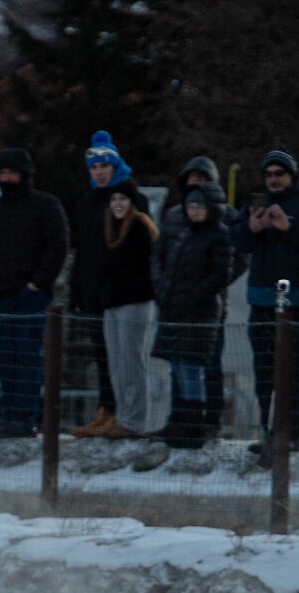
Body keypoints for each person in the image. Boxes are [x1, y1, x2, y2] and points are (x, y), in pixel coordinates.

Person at [237, 149, 299, 466]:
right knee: (264, 371)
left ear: (291, 175)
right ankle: (270, 432)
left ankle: (293, 433)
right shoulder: (253, 206)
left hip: (296, 302)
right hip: (261, 300)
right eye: (269, 174)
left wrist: (290, 228)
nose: (274, 180)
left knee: (291, 370)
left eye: (279, 174)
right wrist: (251, 229)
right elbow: (237, 243)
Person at [0, 147, 68, 437]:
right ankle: (9, 417)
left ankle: (24, 418)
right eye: (3, 173)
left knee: (27, 356)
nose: (8, 178)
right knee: (4, 356)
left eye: (13, 173)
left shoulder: (45, 205)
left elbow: (58, 246)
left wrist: (38, 283)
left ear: (25, 175)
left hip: (30, 295)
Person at [151, 183, 233, 449]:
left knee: (191, 368)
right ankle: (181, 420)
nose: (195, 211)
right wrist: (164, 294)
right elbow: (167, 266)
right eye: (191, 207)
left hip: (199, 313)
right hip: (176, 311)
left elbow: (220, 274)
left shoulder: (218, 235)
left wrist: (195, 295)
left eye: (199, 207)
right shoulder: (184, 233)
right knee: (177, 366)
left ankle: (193, 422)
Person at [67, 130, 135, 437]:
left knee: (123, 357)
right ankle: (106, 411)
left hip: (121, 293)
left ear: (115, 166)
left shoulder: (128, 195)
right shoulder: (86, 201)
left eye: (104, 166)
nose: (99, 172)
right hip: (93, 293)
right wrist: (76, 289)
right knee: (102, 355)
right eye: (94, 168)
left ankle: (124, 413)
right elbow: (82, 249)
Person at [98, 181, 161, 438]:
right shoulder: (108, 227)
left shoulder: (141, 227)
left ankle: (134, 421)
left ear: (132, 202)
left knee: (132, 364)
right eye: (114, 200)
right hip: (113, 303)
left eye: (123, 199)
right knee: (116, 364)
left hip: (136, 302)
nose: (118, 204)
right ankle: (122, 416)